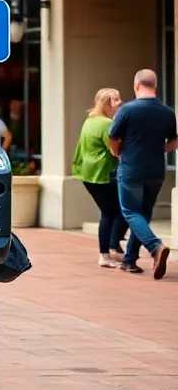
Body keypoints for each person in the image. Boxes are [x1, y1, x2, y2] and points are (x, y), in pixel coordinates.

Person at [108, 69, 176, 279]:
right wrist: (160, 150)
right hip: (156, 170)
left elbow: (113, 136)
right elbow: (174, 140)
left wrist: (117, 152)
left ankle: (155, 247)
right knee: (143, 214)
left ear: (136, 85)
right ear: (154, 86)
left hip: (131, 168)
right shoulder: (167, 112)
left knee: (130, 211)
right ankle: (129, 261)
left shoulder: (128, 110)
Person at [72, 88, 127, 268]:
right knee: (111, 212)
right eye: (116, 99)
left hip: (88, 173)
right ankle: (105, 254)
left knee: (116, 210)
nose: (120, 102)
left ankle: (113, 248)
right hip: (100, 174)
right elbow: (114, 150)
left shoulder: (90, 121)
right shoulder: (106, 124)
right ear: (106, 103)